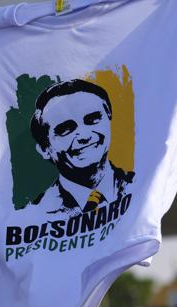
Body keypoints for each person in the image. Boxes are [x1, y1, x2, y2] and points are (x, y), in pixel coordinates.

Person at [28, 79, 134, 216]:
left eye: (92, 119)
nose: (84, 136)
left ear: (109, 117)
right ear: (44, 149)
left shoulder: (142, 185)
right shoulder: (33, 214)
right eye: (65, 129)